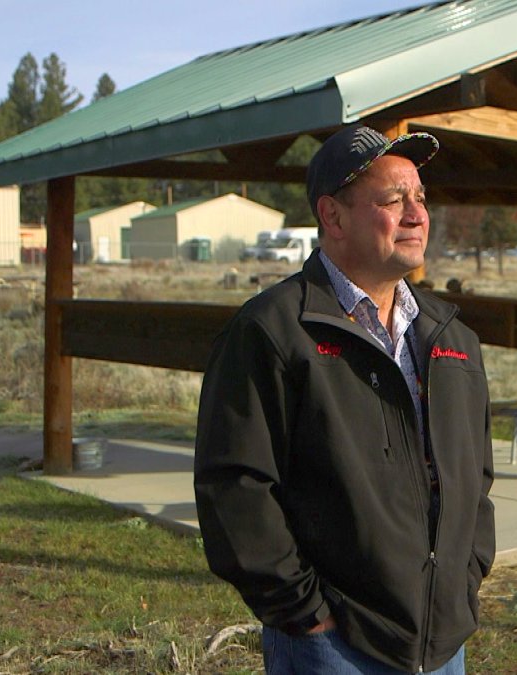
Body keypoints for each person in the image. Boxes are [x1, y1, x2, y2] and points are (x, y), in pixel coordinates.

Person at [194, 124, 495, 674]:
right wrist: (305, 612)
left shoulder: (452, 339)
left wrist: (464, 578)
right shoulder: (274, 331)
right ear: (332, 216)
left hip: (442, 641)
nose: (416, 214)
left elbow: (475, 477)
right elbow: (234, 487)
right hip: (335, 645)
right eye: (392, 200)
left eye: (420, 198)